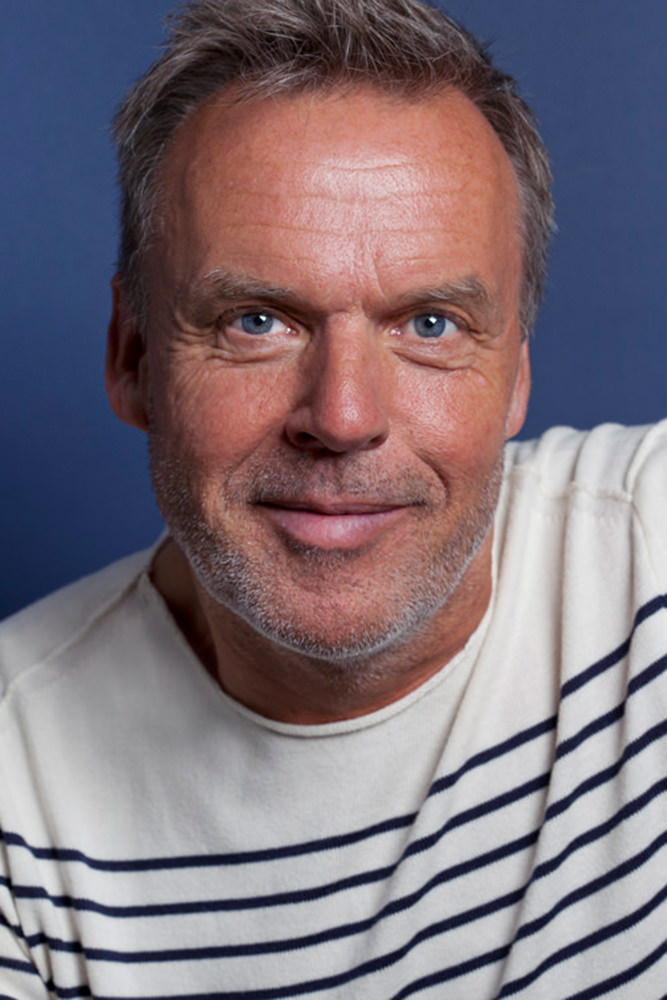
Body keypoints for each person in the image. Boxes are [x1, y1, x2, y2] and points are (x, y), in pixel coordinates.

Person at [1, 0, 666, 996]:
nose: (343, 416)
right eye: (256, 320)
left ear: (516, 375)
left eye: (430, 324)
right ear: (132, 356)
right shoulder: (16, 791)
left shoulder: (649, 550)